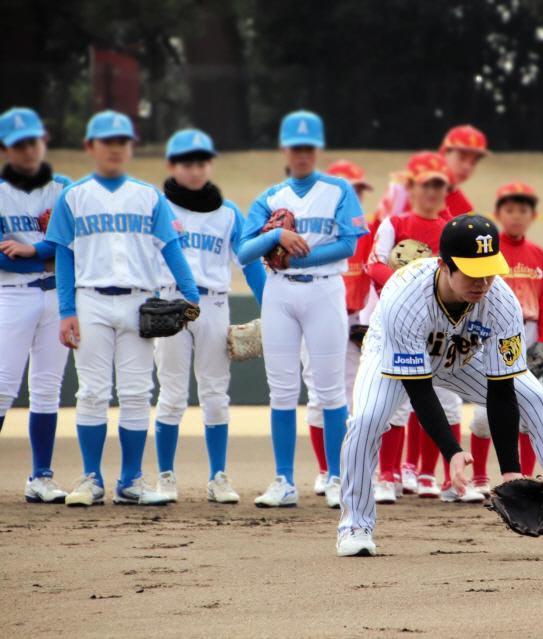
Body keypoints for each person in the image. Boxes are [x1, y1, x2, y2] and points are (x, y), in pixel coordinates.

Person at [336, 213, 543, 557]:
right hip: (391, 354)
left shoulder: (501, 300)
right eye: (472, 271)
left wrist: (510, 471)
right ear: (445, 266)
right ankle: (356, 526)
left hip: (460, 356)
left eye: (490, 269)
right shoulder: (404, 298)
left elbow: (502, 387)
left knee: (537, 398)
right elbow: (419, 388)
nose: (483, 281)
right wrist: (451, 451)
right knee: (367, 420)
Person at [46, 110, 201, 506]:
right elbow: (63, 256)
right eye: (107, 141)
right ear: (91, 147)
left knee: (135, 392)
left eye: (122, 141)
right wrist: (66, 310)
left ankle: (131, 480)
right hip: (91, 299)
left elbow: (171, 247)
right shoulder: (73, 196)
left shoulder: (148, 195)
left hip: (138, 302)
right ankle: (91, 479)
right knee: (92, 392)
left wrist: (191, 295)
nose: (115, 148)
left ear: (130, 146)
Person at [237, 110, 368, 508]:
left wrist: (295, 259)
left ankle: (335, 477)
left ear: (318, 149)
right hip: (279, 294)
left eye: (309, 147)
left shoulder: (338, 189)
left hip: (325, 290)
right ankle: (283, 481)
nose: (303, 154)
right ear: (285, 149)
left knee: (330, 391)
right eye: (296, 147)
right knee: (281, 391)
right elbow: (244, 251)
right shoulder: (270, 197)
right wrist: (277, 234)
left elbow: (349, 245)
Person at [151, 129, 266, 504]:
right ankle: (166, 476)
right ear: (172, 165)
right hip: (169, 303)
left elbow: (248, 261)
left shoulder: (228, 211)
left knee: (215, 394)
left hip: (214, 305)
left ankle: (218, 476)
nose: (195, 169)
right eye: (187, 162)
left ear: (210, 164)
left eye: (201, 161)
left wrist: (269, 304)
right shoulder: (158, 207)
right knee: (171, 395)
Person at [365, 151, 463, 504]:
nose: (433, 193)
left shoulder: (451, 229)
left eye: (439, 186)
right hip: (402, 321)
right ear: (413, 188)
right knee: (398, 403)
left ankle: (432, 476)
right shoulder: (395, 223)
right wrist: (406, 283)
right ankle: (388, 475)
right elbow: (373, 265)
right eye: (426, 186)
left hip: (443, 323)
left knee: (447, 399)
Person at [468, 182, 543, 500]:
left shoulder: (538, 254)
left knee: (532, 413)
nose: (517, 216)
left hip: (528, 335)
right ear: (498, 214)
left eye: (523, 210)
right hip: (491, 336)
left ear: (532, 215)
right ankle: (479, 478)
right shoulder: (490, 251)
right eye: (510, 210)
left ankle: (525, 480)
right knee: (482, 415)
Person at [0, 107, 71, 502]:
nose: (29, 149)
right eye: (20, 144)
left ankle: (41, 477)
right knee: (2, 384)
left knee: (47, 389)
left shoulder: (64, 188)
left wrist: (33, 251)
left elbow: (75, 244)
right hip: (11, 293)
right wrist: (48, 254)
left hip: (55, 295)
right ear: (5, 148)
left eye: (34, 140)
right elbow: (1, 258)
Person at [304, 159, 373, 497]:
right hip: (315, 316)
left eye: (358, 190)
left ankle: (347, 469)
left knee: (353, 398)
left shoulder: (368, 232)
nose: (354, 196)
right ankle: (325, 471)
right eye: (350, 189)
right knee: (319, 395)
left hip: (353, 321)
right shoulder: (313, 231)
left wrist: (367, 322)